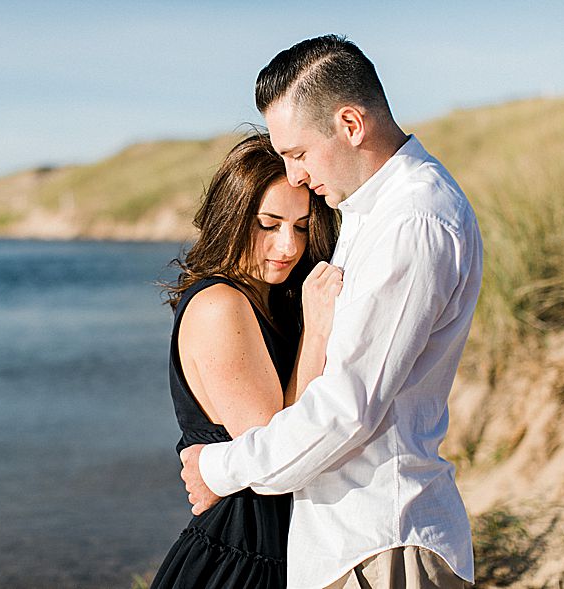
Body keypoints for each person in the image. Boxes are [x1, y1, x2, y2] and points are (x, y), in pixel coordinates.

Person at [179, 35, 482, 589]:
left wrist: (217, 468)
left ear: (349, 124)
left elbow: (347, 410)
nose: (294, 176)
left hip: (383, 544)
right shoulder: (369, 214)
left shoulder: (411, 222)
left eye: (297, 153)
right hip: (351, 542)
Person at [151, 134, 340, 588]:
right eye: (268, 224)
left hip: (272, 549)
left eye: (300, 225)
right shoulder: (222, 304)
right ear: (233, 218)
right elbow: (274, 447)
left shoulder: (271, 299)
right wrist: (316, 330)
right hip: (238, 561)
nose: (288, 246)